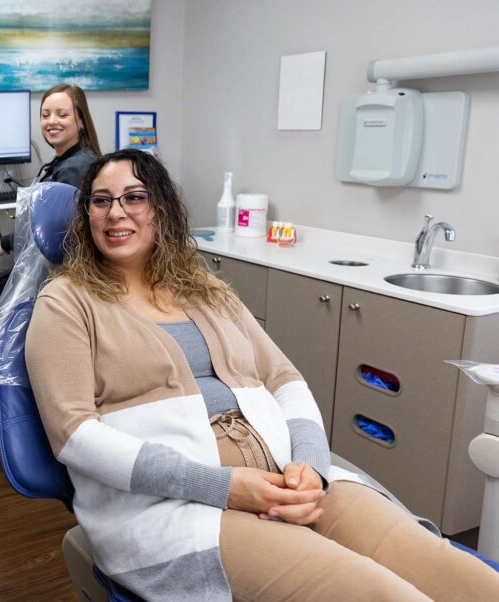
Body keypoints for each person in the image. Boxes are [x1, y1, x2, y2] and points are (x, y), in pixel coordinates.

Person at [25, 148, 498, 601]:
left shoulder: (205, 291)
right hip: (172, 508)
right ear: (85, 216)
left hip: (281, 474)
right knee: (379, 592)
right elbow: (74, 436)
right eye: (101, 201)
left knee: (451, 571)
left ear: (162, 209)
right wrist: (225, 487)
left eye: (134, 197)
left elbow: (284, 379)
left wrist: (311, 466)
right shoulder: (65, 303)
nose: (115, 213)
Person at [0, 84, 100, 330]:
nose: (51, 121)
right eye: (45, 115)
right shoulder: (66, 161)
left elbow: (53, 227)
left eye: (62, 114)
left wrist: (7, 242)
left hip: (61, 273)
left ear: (81, 120)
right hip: (49, 267)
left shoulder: (76, 168)